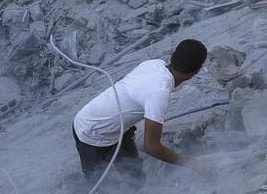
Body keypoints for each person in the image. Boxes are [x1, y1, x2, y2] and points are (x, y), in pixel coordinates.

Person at [72, 39, 208, 181]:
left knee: (134, 178)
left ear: (173, 56)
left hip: (116, 127)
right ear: (197, 69)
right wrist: (193, 165)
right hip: (91, 132)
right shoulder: (159, 92)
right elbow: (151, 147)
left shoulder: (154, 64)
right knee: (101, 189)